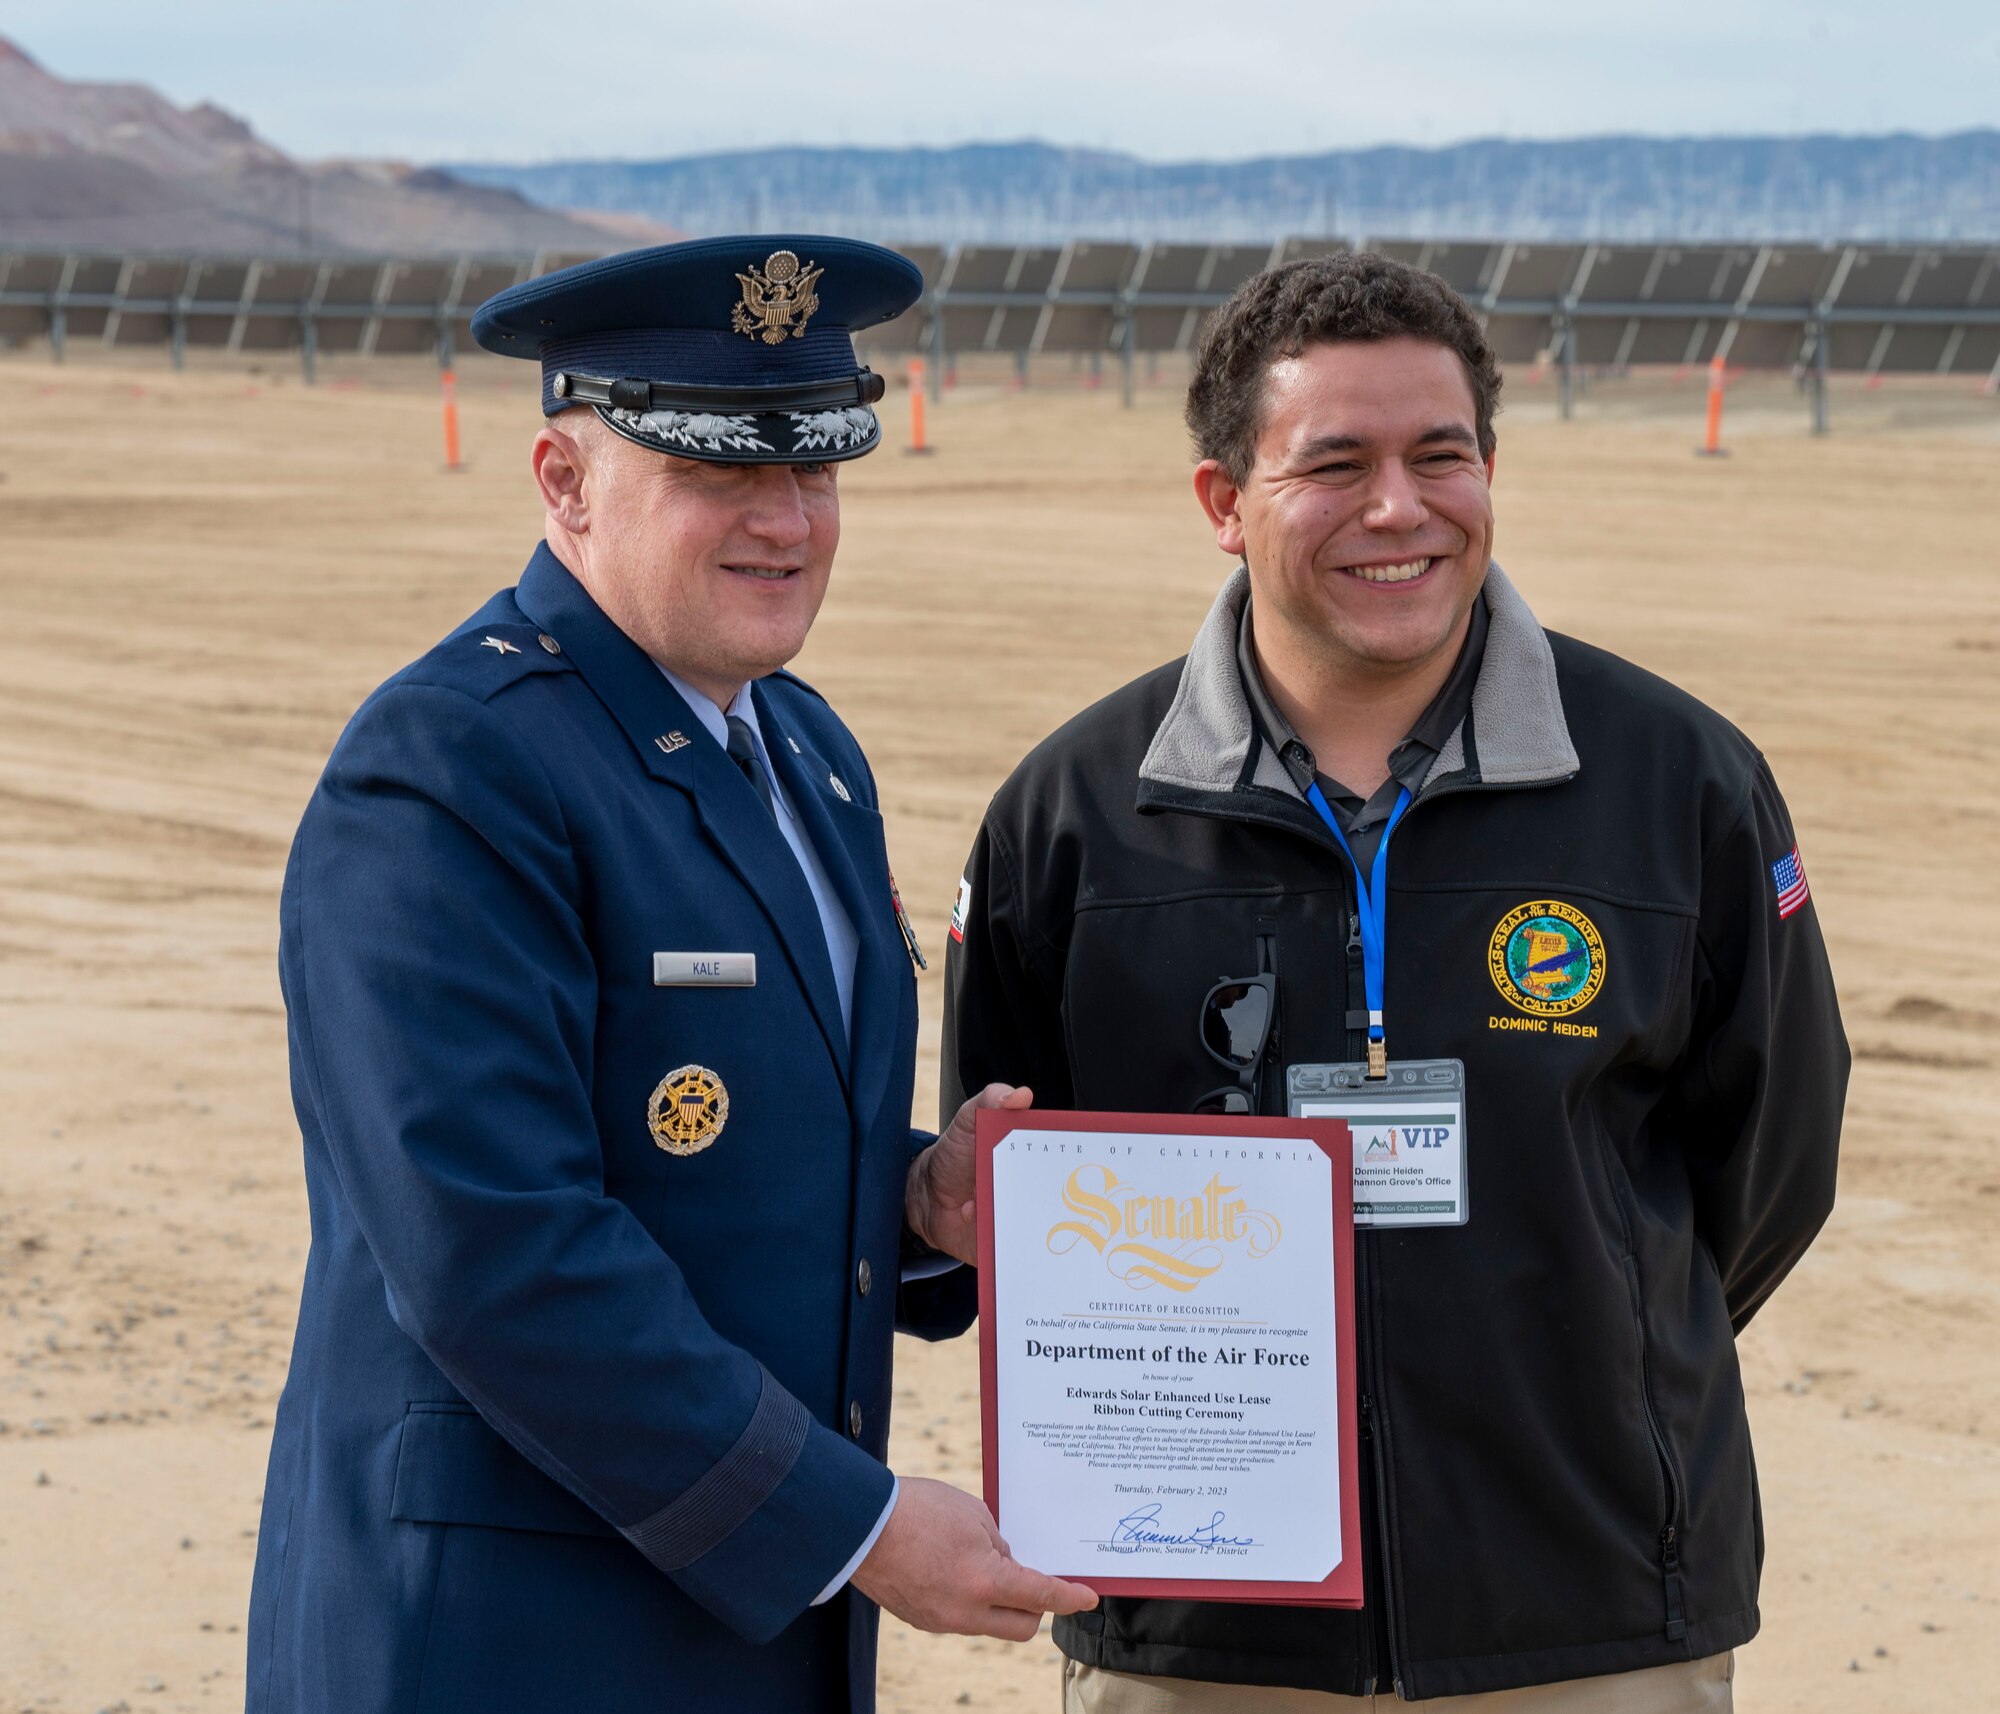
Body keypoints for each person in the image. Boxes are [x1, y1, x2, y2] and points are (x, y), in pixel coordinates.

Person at [942, 251, 1847, 1711]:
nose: (1399, 508)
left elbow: (1772, 1166)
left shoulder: (1679, 783)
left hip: (1590, 1613)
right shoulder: (1072, 815)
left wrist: (1581, 1345)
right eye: (1335, 463)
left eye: (1443, 456)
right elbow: (1015, 1179)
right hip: (1203, 1634)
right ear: (1222, 505)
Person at [245, 235, 1093, 1714]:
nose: (785, 522)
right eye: (717, 472)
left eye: (816, 471)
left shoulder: (803, 751)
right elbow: (493, 1246)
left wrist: (912, 1205)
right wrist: (863, 1524)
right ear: (563, 482)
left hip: (745, 1630)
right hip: (511, 1638)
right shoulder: (455, 765)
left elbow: (690, 1143)